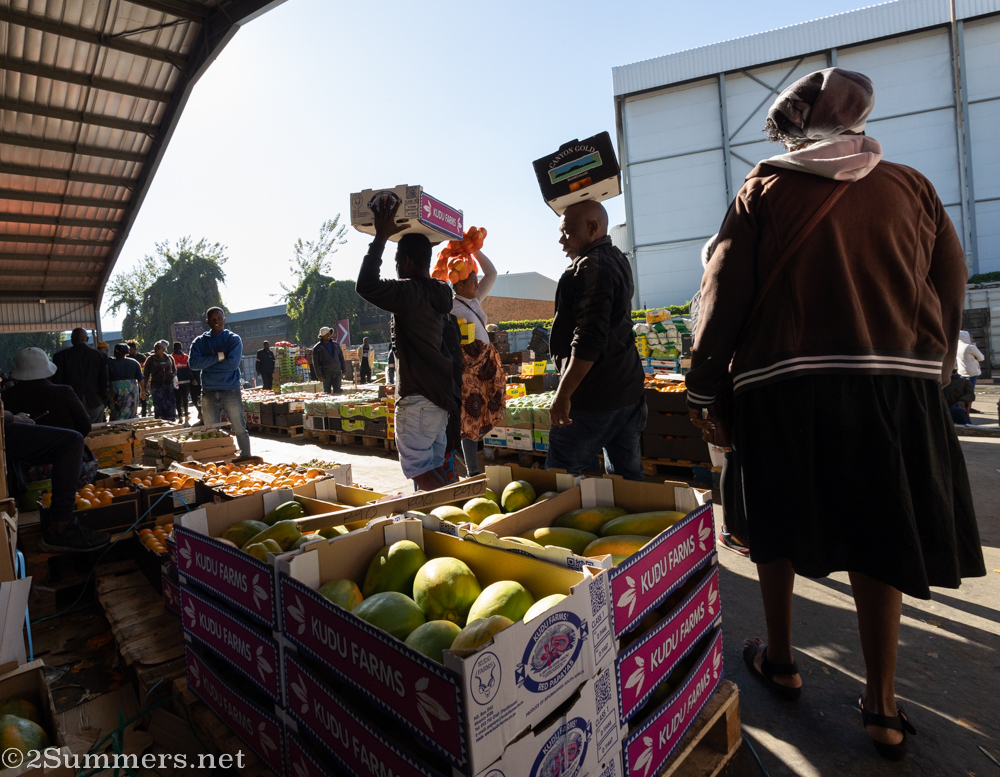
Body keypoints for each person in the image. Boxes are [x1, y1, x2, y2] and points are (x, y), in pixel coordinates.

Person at [686, 67, 985, 760]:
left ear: (791, 127)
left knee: (776, 525)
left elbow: (722, 293)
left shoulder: (763, 188)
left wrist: (705, 393)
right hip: (893, 391)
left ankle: (783, 658)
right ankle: (881, 704)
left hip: (782, 389)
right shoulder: (913, 186)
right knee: (880, 534)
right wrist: (932, 370)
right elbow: (951, 280)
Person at [356, 202, 458, 491]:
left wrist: (380, 238)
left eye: (398, 259)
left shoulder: (409, 291)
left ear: (408, 260)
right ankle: (450, 518)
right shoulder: (440, 291)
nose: (396, 265)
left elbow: (366, 285)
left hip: (417, 399)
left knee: (418, 469)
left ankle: (454, 512)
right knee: (434, 465)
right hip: (438, 398)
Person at [546, 200, 647, 481]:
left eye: (567, 232)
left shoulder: (592, 267)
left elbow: (589, 338)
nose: (561, 240)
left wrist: (563, 394)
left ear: (592, 227)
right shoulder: (617, 258)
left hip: (594, 397)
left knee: (560, 478)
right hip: (627, 391)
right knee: (627, 480)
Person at [4, 411, 110, 552]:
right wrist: (15, 418)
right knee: (72, 441)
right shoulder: (64, 391)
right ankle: (62, 527)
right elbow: (84, 426)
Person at [451, 250, 505, 477]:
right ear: (459, 285)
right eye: (472, 281)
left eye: (476, 281)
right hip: (468, 370)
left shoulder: (473, 299)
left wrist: (474, 249)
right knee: (471, 416)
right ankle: (472, 470)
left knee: (486, 411)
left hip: (485, 368)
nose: (476, 284)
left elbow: (491, 273)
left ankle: (461, 454)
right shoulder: (450, 305)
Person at [189, 307, 251, 457]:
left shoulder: (233, 339)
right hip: (208, 391)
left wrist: (207, 364)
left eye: (219, 318)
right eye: (212, 318)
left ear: (224, 319)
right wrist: (218, 357)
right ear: (207, 321)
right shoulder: (199, 342)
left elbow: (233, 364)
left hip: (231, 390)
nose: (216, 321)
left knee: (239, 428)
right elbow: (193, 364)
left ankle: (246, 458)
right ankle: (216, 458)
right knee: (211, 430)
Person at [3, 347, 92, 436]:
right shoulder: (64, 392)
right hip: (64, 448)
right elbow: (85, 425)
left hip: (23, 449)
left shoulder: (6, 396)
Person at [53, 328, 108, 423]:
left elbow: (58, 381)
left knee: (75, 432)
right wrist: (103, 399)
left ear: (72, 339)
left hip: (71, 403)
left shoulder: (60, 356)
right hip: (95, 401)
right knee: (97, 432)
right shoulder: (100, 356)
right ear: (87, 339)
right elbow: (104, 380)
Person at [107, 343, 144, 421]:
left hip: (115, 392)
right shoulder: (134, 363)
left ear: (116, 352)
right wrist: (143, 391)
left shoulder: (109, 364)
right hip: (132, 392)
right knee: (131, 414)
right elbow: (140, 378)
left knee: (116, 415)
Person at [143, 340, 177, 421]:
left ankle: (171, 421)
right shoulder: (150, 359)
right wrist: (144, 388)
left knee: (170, 404)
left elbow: (174, 370)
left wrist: (172, 375)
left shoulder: (170, 358)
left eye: (158, 348)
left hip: (169, 385)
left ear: (164, 349)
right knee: (159, 405)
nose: (156, 350)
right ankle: (160, 421)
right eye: (155, 348)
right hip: (156, 386)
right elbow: (146, 374)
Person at [312, 327, 347, 394]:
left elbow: (341, 358)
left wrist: (344, 370)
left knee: (337, 391)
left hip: (337, 372)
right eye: (326, 334)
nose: (328, 335)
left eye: (329, 334)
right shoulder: (317, 348)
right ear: (321, 336)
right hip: (326, 373)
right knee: (327, 392)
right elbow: (315, 363)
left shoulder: (336, 345)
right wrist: (319, 375)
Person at [956, 330, 985, 396]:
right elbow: (981, 358)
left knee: (962, 392)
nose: (972, 339)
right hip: (972, 372)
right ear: (966, 337)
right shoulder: (970, 347)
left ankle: (961, 406)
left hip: (961, 372)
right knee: (970, 392)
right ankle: (968, 405)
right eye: (971, 337)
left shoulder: (957, 347)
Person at [172, 342, 194, 423]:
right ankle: (186, 416)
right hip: (186, 381)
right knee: (185, 399)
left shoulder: (171, 357)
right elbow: (190, 370)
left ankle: (180, 416)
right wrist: (192, 379)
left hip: (176, 382)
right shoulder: (186, 357)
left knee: (178, 399)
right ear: (181, 348)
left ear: (173, 348)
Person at [127, 341, 149, 418]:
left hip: (141, 381)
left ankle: (144, 415)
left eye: (131, 349)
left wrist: (146, 383)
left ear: (135, 349)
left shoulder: (142, 358)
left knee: (143, 399)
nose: (129, 351)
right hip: (131, 382)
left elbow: (145, 370)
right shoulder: (127, 358)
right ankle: (133, 415)